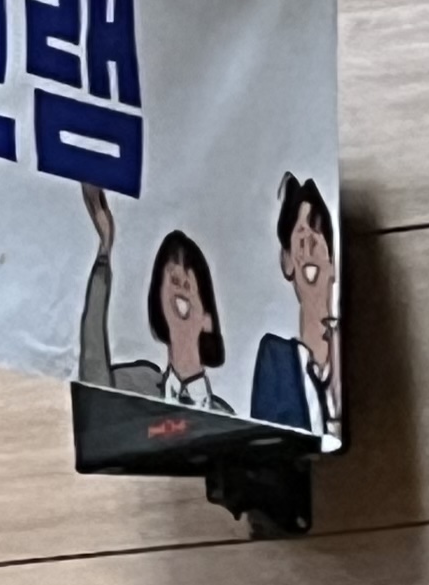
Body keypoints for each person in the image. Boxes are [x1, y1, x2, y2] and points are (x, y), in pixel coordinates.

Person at [76, 180, 231, 411]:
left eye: (187, 284)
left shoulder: (224, 414)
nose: (180, 289)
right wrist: (104, 252)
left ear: (207, 320)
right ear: (160, 305)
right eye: (173, 281)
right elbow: (94, 384)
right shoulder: (138, 385)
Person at [249, 171, 343, 439]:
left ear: (333, 262)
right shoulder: (276, 360)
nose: (308, 244)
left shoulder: (350, 347)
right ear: (287, 261)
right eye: (300, 235)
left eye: (317, 233)